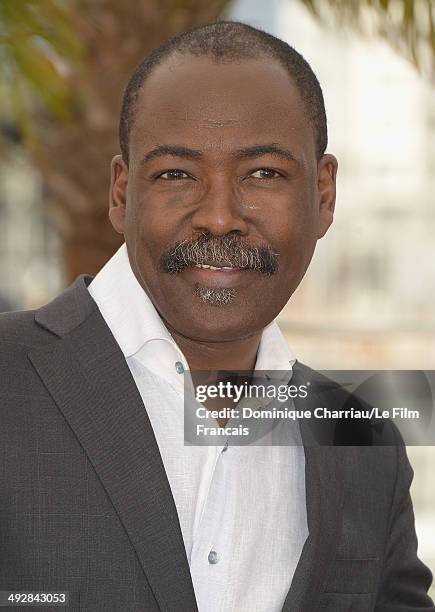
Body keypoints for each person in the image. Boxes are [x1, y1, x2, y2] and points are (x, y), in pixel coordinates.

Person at [0, 21, 433, 612]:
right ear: (122, 193)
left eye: (263, 174)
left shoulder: (362, 442)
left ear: (324, 193)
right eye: (177, 175)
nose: (221, 217)